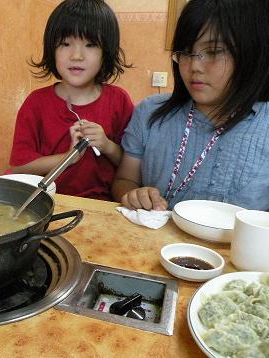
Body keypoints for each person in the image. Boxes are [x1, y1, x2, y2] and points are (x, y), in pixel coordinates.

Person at [112, 0, 269, 211]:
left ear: (251, 53)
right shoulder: (149, 112)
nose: (194, 66)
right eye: (186, 53)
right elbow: (125, 180)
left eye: (213, 52)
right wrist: (133, 195)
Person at [8, 0, 134, 200]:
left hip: (102, 207)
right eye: (65, 44)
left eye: (90, 44)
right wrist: (69, 157)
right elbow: (20, 166)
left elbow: (132, 169)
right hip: (48, 203)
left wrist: (107, 145)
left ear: (106, 52)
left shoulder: (119, 101)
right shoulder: (36, 103)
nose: (76, 55)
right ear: (52, 49)